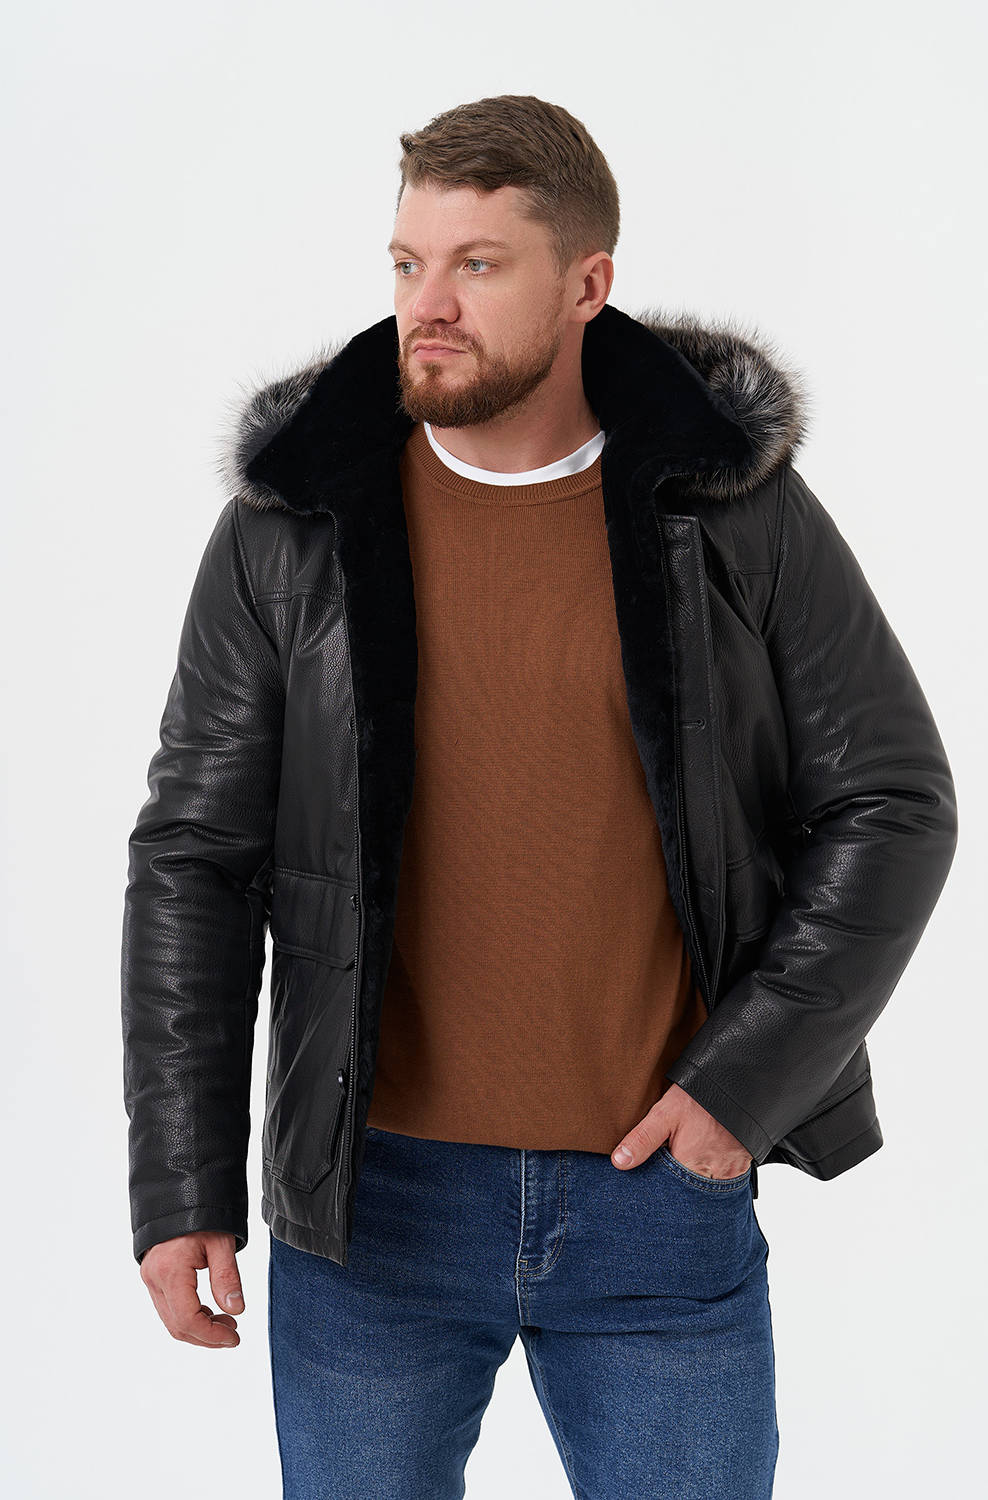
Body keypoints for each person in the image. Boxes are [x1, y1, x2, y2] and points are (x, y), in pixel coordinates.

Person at [121, 95, 958, 1499]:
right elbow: (196, 857)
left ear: (587, 283)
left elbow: (892, 801)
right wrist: (182, 1181)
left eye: (479, 264)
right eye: (408, 263)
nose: (427, 306)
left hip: (656, 1198)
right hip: (369, 1211)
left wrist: (737, 1094)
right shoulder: (292, 529)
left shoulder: (729, 511)